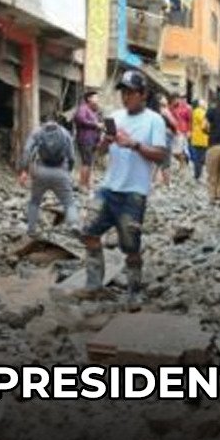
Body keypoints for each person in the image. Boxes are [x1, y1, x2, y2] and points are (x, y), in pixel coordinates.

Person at [80, 69, 169, 299]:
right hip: (109, 188)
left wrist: (133, 144)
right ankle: (94, 286)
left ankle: (133, 291)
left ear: (143, 94)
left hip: (134, 193)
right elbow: (99, 152)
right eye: (123, 93)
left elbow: (160, 155)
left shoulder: (155, 120)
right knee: (88, 232)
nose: (125, 97)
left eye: (130, 93)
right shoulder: (116, 117)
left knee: (130, 246)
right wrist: (106, 142)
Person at [17, 115, 79, 239]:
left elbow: (27, 150)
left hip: (41, 172)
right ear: (56, 122)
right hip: (61, 172)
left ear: (43, 122)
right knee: (69, 202)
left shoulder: (38, 132)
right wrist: (68, 171)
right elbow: (72, 156)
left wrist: (24, 170)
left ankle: (31, 230)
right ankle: (73, 225)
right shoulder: (65, 133)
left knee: (34, 202)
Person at [72, 90, 102, 190]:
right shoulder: (83, 108)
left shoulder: (94, 111)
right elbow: (80, 119)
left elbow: (97, 126)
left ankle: (87, 184)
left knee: (90, 162)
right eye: (95, 97)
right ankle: (82, 185)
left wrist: (98, 139)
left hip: (92, 140)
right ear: (89, 99)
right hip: (85, 139)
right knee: (86, 162)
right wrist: (95, 124)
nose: (97, 99)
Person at [169, 95, 193, 173]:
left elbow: (190, 120)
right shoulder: (174, 107)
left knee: (178, 150)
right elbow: (170, 116)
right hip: (174, 130)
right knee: (174, 151)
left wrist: (189, 131)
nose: (182, 100)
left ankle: (182, 166)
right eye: (181, 98)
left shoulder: (188, 108)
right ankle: (184, 162)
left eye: (184, 98)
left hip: (183, 131)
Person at [189, 98, 209, 181]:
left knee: (198, 157)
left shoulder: (195, 111)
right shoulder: (200, 111)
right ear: (200, 104)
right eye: (204, 102)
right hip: (201, 137)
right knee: (200, 157)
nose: (206, 104)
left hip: (197, 137)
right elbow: (205, 123)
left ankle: (198, 174)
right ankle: (198, 175)